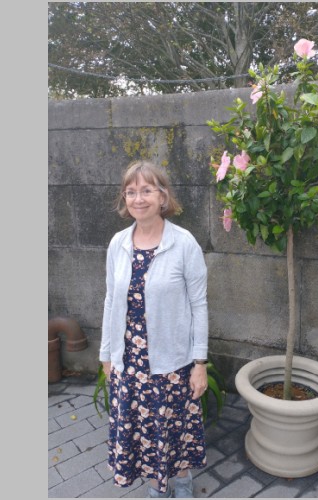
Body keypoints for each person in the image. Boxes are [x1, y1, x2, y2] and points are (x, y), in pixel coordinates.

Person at [99, 159, 209, 498]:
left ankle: (183, 480)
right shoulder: (118, 243)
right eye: (131, 191)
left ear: (163, 196)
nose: (138, 198)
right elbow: (110, 301)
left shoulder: (183, 243)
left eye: (147, 190)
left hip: (171, 363)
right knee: (142, 433)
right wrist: (106, 355)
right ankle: (156, 488)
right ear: (124, 198)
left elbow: (199, 305)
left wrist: (200, 363)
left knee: (175, 428)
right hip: (130, 362)